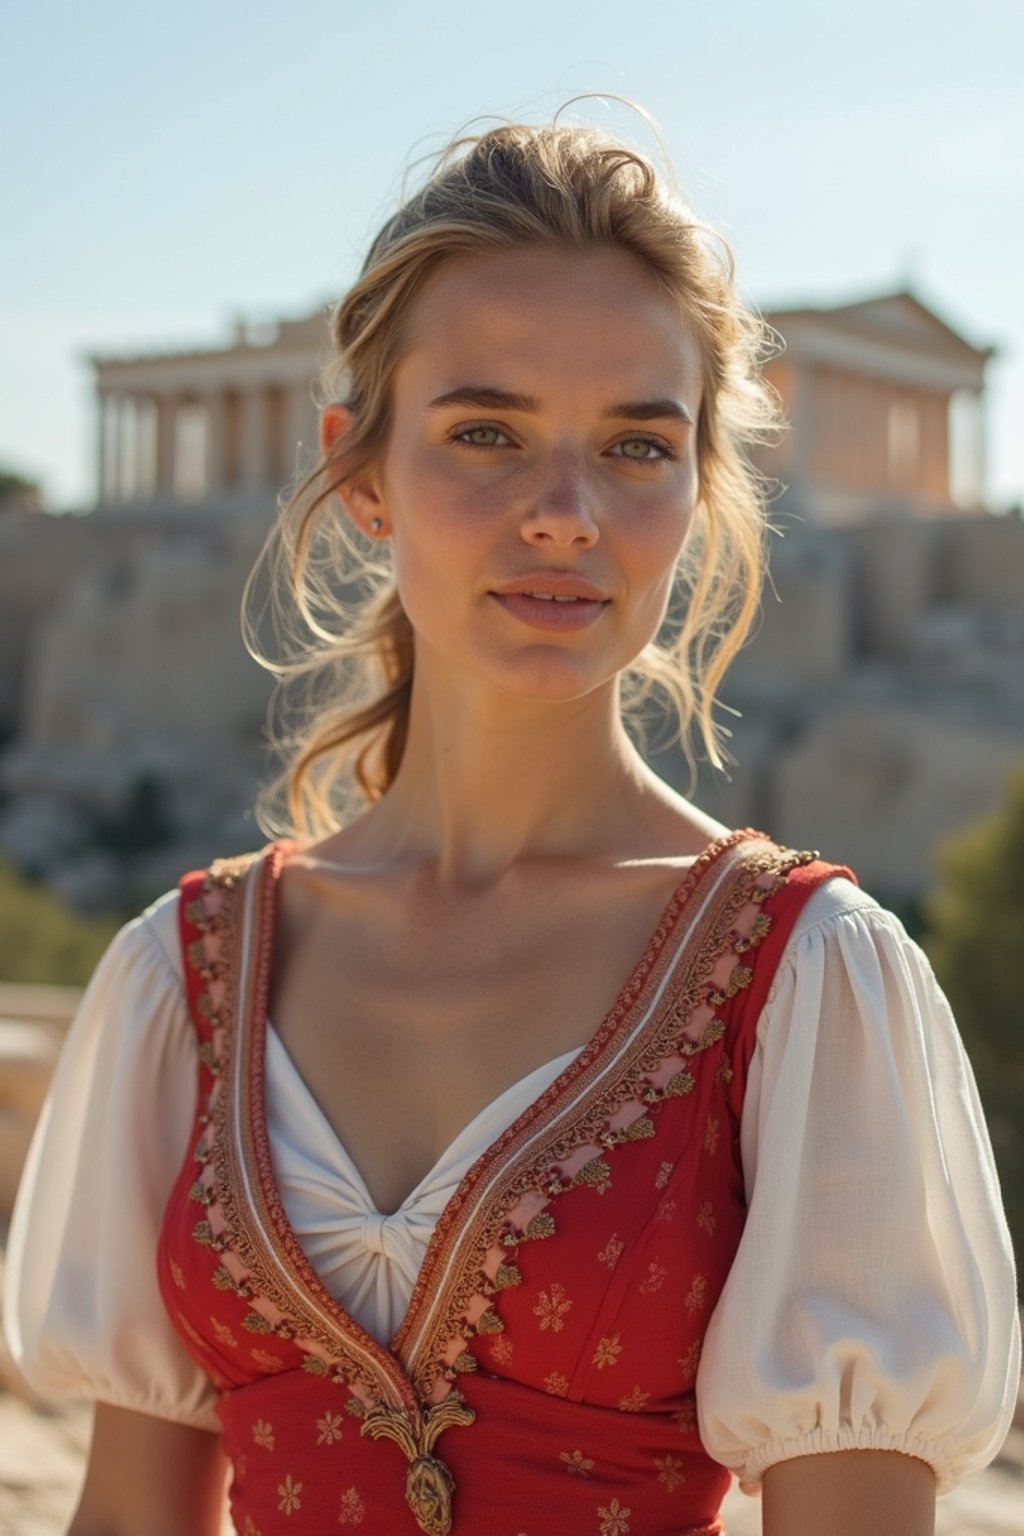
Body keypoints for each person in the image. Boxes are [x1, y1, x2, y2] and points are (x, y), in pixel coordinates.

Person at [4, 112, 1020, 1536]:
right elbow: (128, 1518)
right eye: (487, 432)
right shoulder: (183, 974)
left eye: (635, 445)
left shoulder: (805, 982)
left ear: (703, 488)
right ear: (359, 471)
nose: (564, 512)